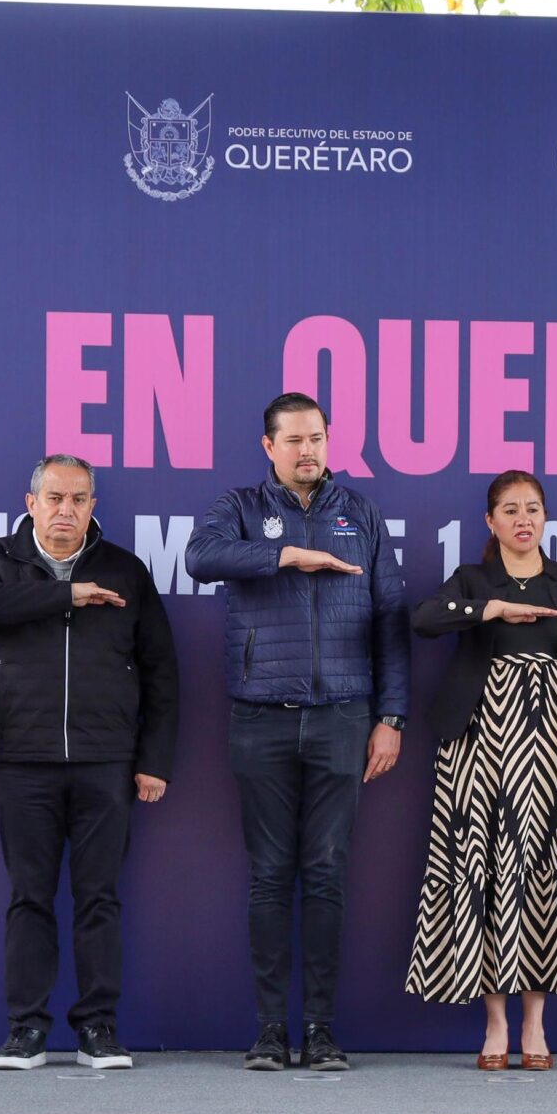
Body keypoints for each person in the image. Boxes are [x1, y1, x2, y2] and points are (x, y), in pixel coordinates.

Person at [187, 392, 409, 1073]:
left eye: (317, 438)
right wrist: (286, 557)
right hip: (260, 717)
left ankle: (319, 1030)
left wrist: (391, 717)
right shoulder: (241, 508)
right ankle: (266, 1032)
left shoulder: (360, 512)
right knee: (266, 876)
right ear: (269, 447)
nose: (308, 451)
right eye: (294, 441)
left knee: (326, 875)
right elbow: (201, 557)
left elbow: (392, 620)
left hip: (344, 716)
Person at [0, 455, 179, 1071]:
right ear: (31, 503)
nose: (66, 511)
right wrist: (67, 595)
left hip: (105, 761)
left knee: (98, 898)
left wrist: (153, 759)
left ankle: (98, 1028)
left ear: (93, 505)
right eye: (54, 498)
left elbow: (162, 671)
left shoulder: (126, 570)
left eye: (79, 499)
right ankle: (25, 1029)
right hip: (23, 759)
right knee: (29, 896)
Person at [405, 470, 557, 1071]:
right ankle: (495, 1023)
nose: (524, 519)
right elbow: (423, 619)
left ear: (546, 517)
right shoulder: (472, 580)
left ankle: (535, 1023)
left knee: (543, 876)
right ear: (490, 522)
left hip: (552, 747)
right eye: (510, 510)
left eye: (533, 509)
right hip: (478, 745)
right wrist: (489, 607)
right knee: (484, 874)